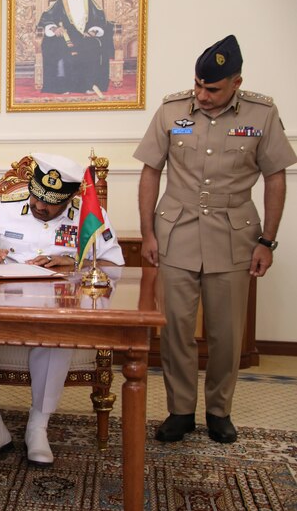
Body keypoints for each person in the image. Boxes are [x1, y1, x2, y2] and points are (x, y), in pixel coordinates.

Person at [135, 35, 296, 444]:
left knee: (227, 334)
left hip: (233, 237)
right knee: (175, 330)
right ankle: (180, 410)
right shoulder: (172, 109)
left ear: (236, 82)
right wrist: (148, 232)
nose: (202, 95)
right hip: (177, 232)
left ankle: (219, 411)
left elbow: (276, 177)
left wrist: (268, 241)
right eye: (198, 86)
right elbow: (151, 170)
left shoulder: (262, 113)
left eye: (213, 89)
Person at [0, 153, 124, 466]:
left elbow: (114, 265)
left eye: (50, 204)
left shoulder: (89, 214)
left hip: (54, 308)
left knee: (56, 334)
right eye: (36, 199)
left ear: (71, 196)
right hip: (0, 305)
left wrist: (76, 262)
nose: (40, 207)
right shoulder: (7, 206)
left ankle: (38, 427)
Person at [37, 0, 113, 96]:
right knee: (58, 47)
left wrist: (94, 31)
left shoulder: (89, 1)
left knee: (93, 46)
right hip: (65, 37)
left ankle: (89, 85)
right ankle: (63, 86)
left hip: (85, 37)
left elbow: (100, 20)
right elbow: (45, 20)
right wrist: (54, 28)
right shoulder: (59, 3)